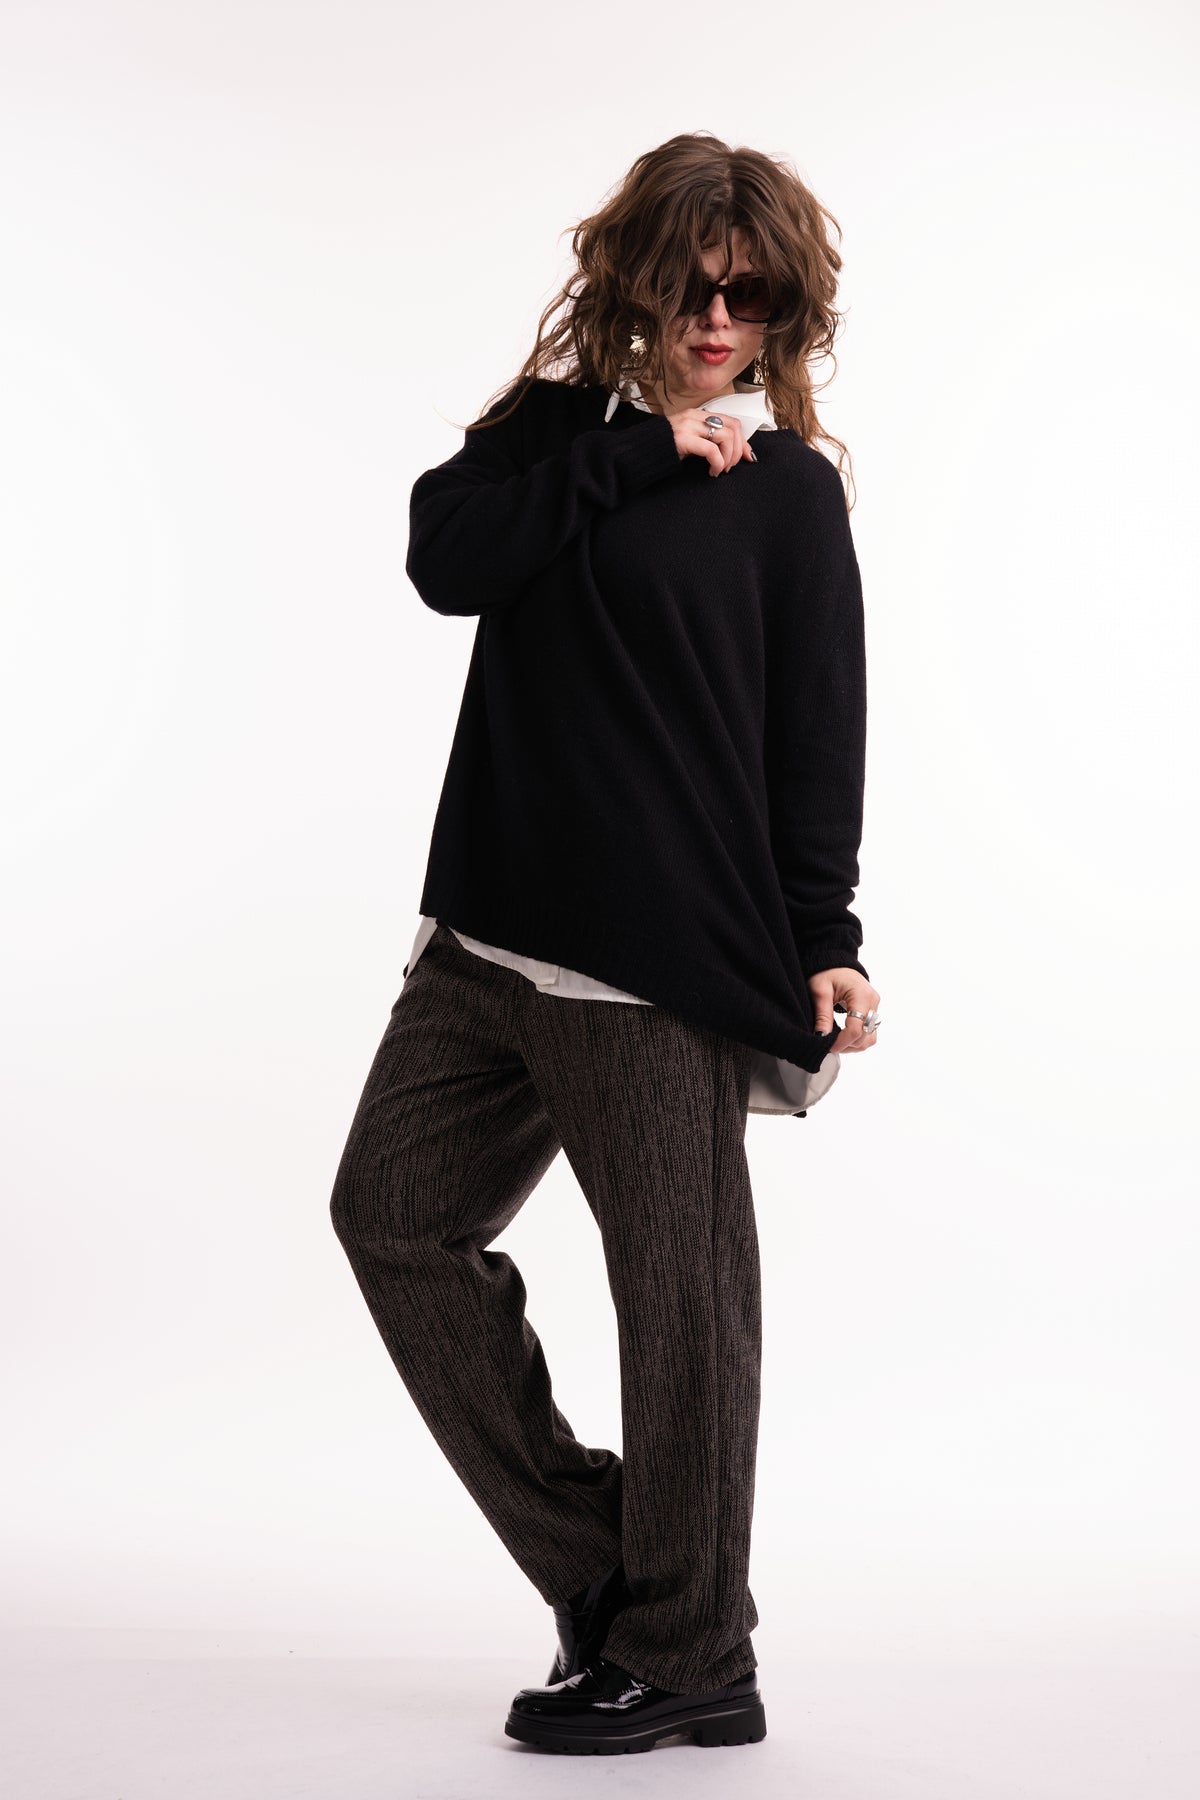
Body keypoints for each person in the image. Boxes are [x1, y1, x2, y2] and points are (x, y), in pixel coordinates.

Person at [329, 130, 882, 1757]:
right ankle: (622, 1578)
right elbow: (447, 562)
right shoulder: (558, 435)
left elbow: (813, 734)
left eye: (750, 297)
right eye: (693, 288)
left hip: (655, 968)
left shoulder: (790, 496)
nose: (718, 321)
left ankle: (692, 1651)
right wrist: (636, 455)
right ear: (637, 283)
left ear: (784, 312)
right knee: (392, 1219)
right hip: (486, 939)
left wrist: (828, 934)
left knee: (682, 1307)